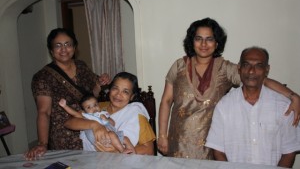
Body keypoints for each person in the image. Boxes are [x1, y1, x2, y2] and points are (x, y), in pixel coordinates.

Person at [158, 18, 300, 159]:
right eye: (198, 38)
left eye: (209, 39)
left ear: (217, 42)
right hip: (178, 143)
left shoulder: (225, 69)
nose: (203, 44)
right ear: (192, 41)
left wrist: (293, 96)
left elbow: (261, 80)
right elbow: (166, 101)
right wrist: (162, 135)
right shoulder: (178, 67)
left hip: (211, 146)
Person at [205, 47, 300, 168]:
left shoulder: (284, 106)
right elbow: (218, 150)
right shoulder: (224, 106)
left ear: (267, 70)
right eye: (246, 65)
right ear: (239, 68)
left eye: (259, 66)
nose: (251, 71)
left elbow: (289, 151)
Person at [24, 28, 110, 161]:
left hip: (91, 132)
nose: (63, 49)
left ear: (74, 47)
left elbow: (92, 97)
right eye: (58, 45)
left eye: (67, 44)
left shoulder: (82, 66)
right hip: (65, 137)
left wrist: (99, 84)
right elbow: (44, 112)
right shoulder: (42, 77)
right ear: (51, 50)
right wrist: (42, 143)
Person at [65, 72, 156, 155]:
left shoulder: (136, 113)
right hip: (92, 160)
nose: (118, 94)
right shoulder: (97, 107)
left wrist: (117, 152)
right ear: (109, 90)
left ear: (132, 97)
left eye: (125, 92)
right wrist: (94, 125)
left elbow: (149, 150)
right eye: (115, 88)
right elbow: (68, 122)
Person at [58, 94, 135, 153]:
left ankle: (133, 155)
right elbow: (74, 114)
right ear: (84, 111)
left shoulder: (103, 113)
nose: (93, 108)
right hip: (98, 139)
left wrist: (107, 119)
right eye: (89, 107)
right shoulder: (86, 116)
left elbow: (113, 123)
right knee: (112, 135)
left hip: (112, 136)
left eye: (95, 105)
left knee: (126, 139)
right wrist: (65, 106)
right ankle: (122, 151)